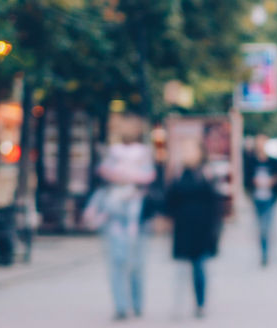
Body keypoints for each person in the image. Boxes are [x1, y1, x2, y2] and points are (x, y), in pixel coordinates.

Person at [84, 122, 156, 321]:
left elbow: (149, 177)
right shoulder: (114, 154)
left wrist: (124, 175)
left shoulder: (142, 154)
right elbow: (105, 172)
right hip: (116, 213)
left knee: (133, 263)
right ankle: (124, 305)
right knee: (120, 262)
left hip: (135, 215)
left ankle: (133, 304)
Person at [165, 142, 223, 319]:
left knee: (199, 267)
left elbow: (214, 202)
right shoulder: (178, 173)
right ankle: (179, 306)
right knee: (181, 268)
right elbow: (170, 199)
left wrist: (215, 228)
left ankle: (200, 304)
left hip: (202, 227)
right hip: (183, 226)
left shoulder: (206, 173)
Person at [243, 134, 277, 267]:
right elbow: (246, 179)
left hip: (270, 198)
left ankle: (266, 252)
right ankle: (264, 251)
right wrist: (252, 184)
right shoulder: (251, 161)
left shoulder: (273, 162)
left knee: (266, 227)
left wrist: (273, 182)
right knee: (260, 227)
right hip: (257, 198)